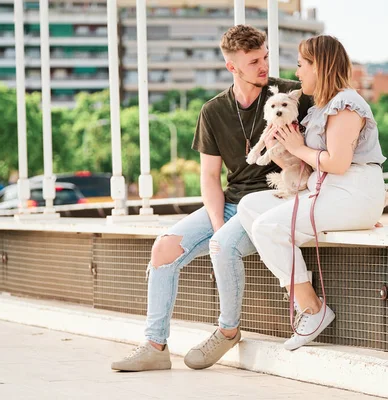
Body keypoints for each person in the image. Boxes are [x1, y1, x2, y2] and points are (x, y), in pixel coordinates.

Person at [111, 25, 313, 371]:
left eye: (265, 56)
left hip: (273, 203)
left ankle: (228, 330)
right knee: (163, 248)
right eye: (253, 61)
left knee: (224, 246)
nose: (264, 66)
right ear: (231, 67)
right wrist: (219, 223)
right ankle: (155, 345)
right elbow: (209, 177)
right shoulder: (213, 111)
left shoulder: (291, 95)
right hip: (233, 202)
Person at [238, 35, 387, 351]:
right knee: (250, 206)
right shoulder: (320, 108)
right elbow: (308, 163)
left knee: (268, 228)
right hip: (326, 192)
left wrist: (299, 147)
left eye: (302, 65)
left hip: (351, 193)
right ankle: (298, 287)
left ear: (320, 66)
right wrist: (282, 148)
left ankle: (312, 309)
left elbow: (338, 162)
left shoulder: (346, 104)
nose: (298, 72)